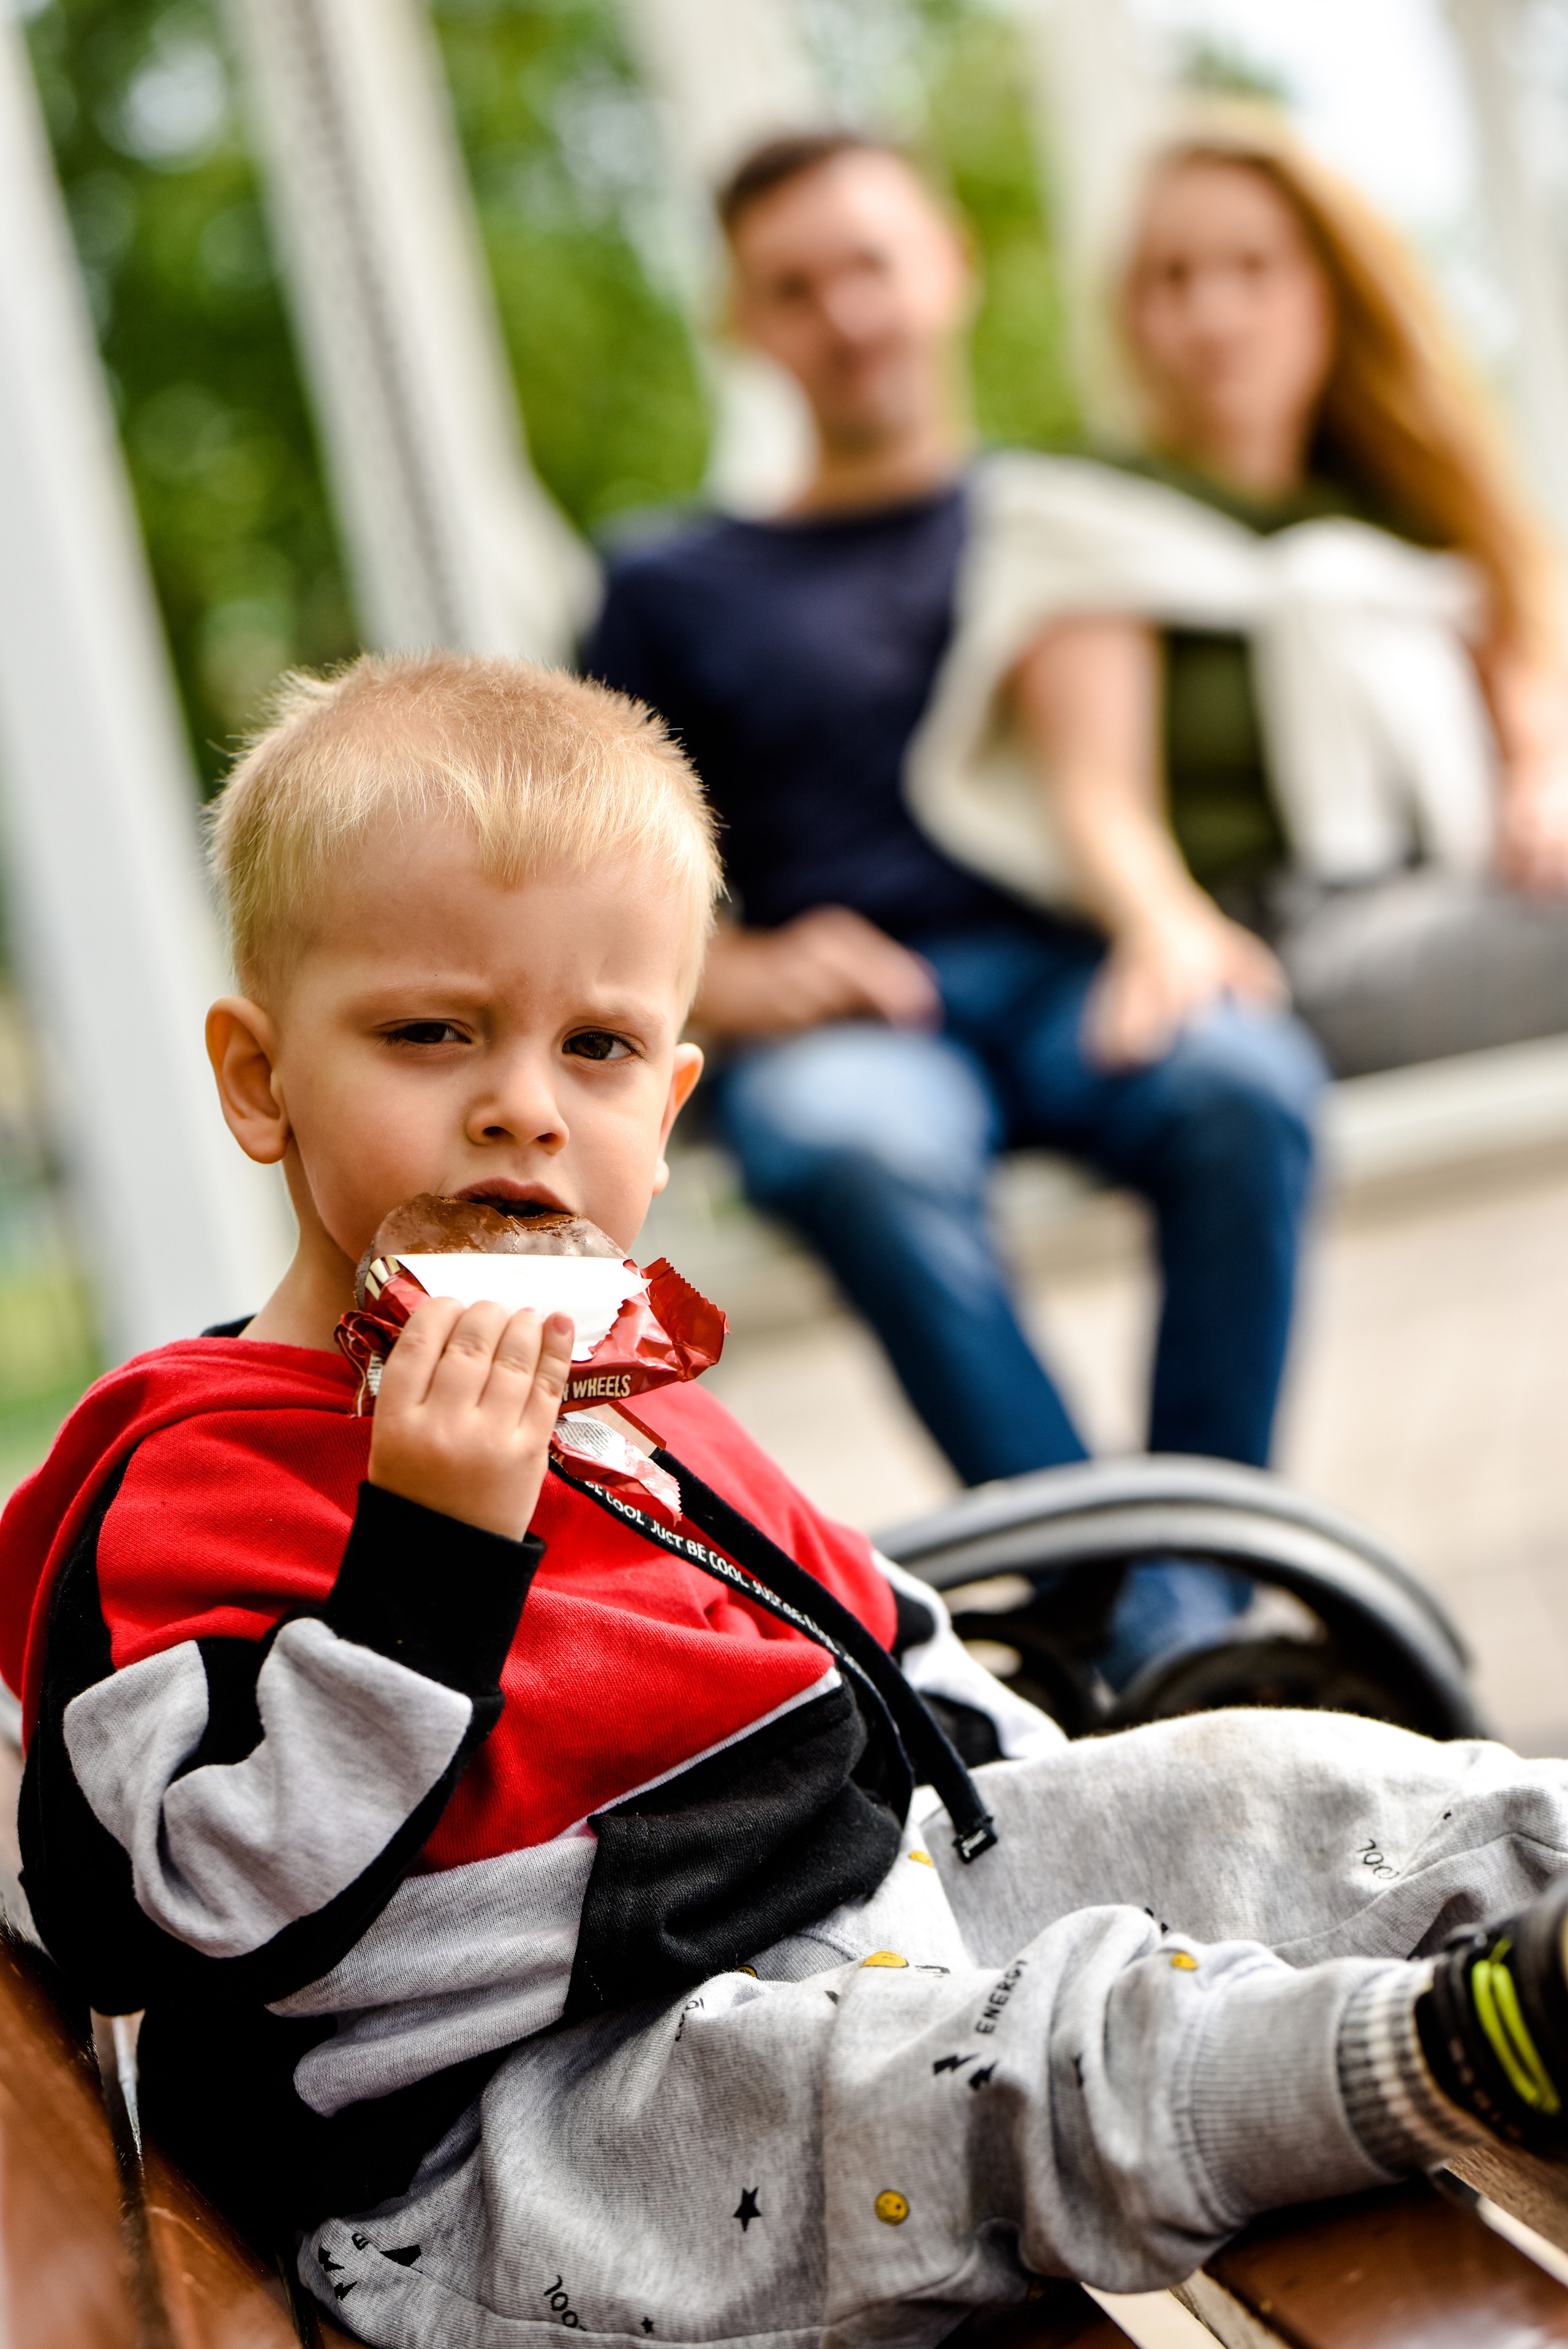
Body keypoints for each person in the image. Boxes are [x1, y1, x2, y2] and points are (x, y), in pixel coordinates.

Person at [12, 649, 1568, 2345]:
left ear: (667, 1109)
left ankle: (1530, 1884)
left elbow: (876, 1638)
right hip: (530, 2136)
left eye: (596, 1046)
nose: (521, 1105)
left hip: (858, 1903)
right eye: (428, 1030)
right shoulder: (193, 1464)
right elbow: (161, 1913)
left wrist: (1072, 1809)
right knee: (972, 2074)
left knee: (1274, 1783)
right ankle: (1451, 2052)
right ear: (259, 1078)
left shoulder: (633, 1394)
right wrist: (423, 1565)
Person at [588, 133, 1330, 1683]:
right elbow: (584, 887)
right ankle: (1161, 1623)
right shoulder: (669, 587)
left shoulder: (1065, 527)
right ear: (743, 325)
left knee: (1244, 1077)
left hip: (1074, 981)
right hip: (854, 1018)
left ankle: (1162, 1615)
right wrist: (745, 972)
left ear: (945, 269)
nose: (843, 313)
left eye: (868, 264)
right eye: (793, 288)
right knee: (857, 1144)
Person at [905, 110, 1568, 1081]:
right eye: (1171, 279)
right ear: (1133, 312)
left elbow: (1531, 706)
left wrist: (1542, 787)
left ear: (1327, 291)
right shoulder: (1092, 514)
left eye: (1254, 270)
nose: (1212, 315)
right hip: (1276, 948)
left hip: (1470, 900)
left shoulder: (1415, 514)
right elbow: (1097, 793)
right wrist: (1166, 928)